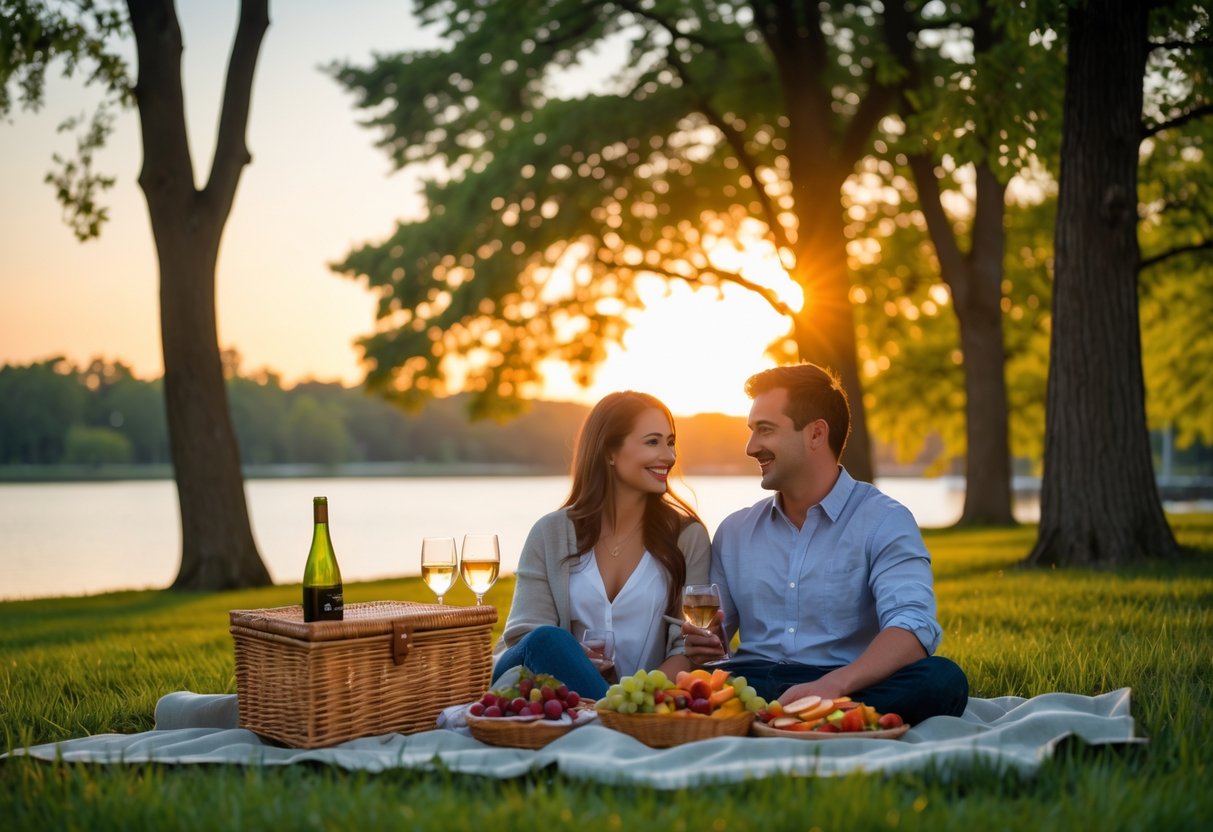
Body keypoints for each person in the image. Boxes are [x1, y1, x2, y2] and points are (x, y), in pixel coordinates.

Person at [684, 363, 969, 725]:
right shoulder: (735, 530)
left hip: (845, 685)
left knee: (942, 679)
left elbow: (912, 625)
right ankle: (822, 721)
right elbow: (714, 639)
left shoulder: (885, 520)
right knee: (695, 683)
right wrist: (706, 643)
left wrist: (833, 685)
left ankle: (779, 718)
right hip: (751, 681)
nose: (750, 447)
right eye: (751, 431)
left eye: (765, 430)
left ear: (816, 434)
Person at [491, 391, 711, 699]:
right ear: (609, 451)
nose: (669, 456)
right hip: (554, 690)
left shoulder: (688, 537)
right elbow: (524, 639)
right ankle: (606, 719)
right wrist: (573, 658)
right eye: (652, 442)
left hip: (643, 699)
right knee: (548, 641)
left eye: (670, 441)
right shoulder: (550, 532)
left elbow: (685, 649)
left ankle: (608, 718)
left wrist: (633, 698)